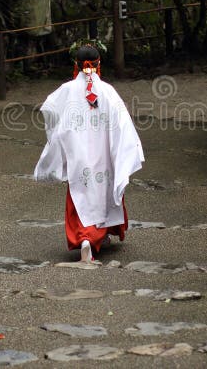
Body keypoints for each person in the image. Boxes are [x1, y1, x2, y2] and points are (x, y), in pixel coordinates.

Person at [34, 42, 144, 263]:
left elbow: (48, 109)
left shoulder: (66, 91)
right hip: (104, 156)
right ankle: (94, 239)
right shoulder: (108, 91)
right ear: (98, 64)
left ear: (76, 65)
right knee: (104, 194)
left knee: (81, 196)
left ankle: (85, 240)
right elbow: (123, 126)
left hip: (80, 156)